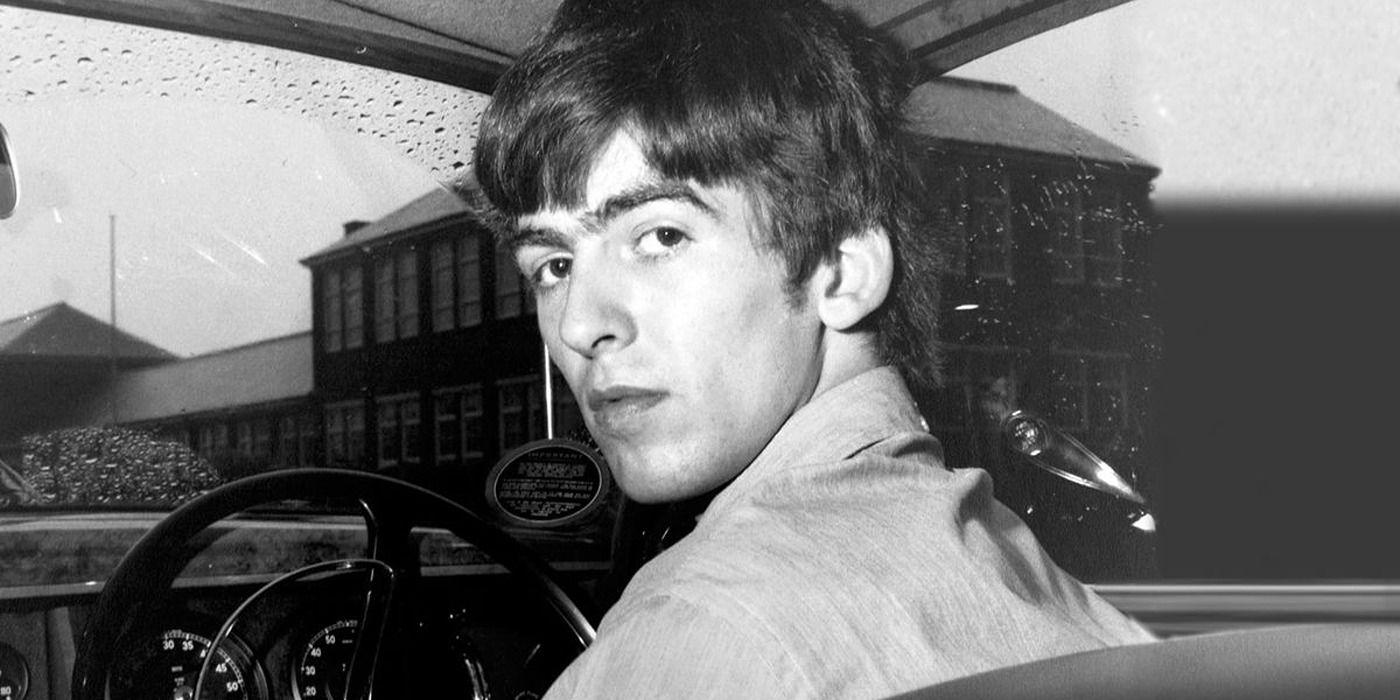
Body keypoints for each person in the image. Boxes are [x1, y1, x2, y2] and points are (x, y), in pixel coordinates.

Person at [471, 0, 1155, 696]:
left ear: (843, 271)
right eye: (553, 266)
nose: (582, 325)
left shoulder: (696, 635)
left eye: (661, 237)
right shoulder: (1027, 570)